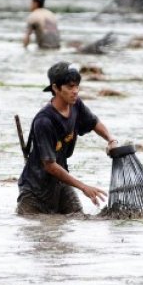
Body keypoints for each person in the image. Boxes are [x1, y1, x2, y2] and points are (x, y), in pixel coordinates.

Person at [16, 62, 119, 215]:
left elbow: (94, 122)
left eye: (77, 86)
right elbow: (49, 165)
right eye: (70, 87)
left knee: (78, 218)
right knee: (37, 230)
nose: (75, 91)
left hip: (60, 183)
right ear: (56, 88)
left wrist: (111, 139)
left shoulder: (76, 105)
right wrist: (83, 186)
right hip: (35, 190)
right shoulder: (44, 121)